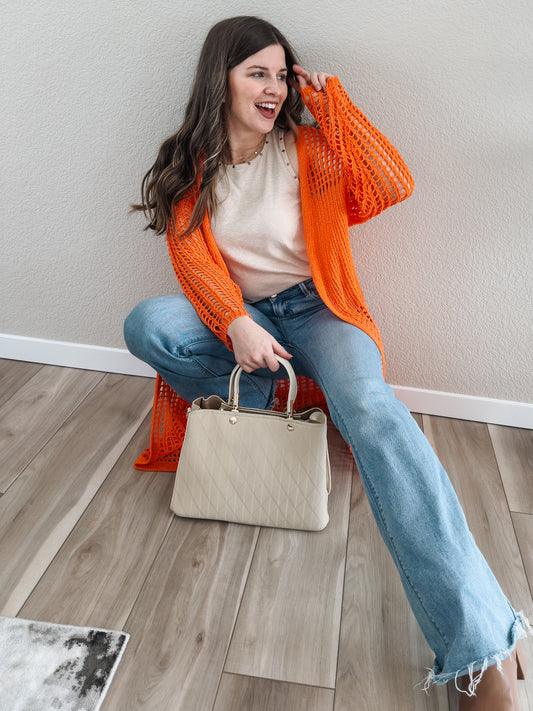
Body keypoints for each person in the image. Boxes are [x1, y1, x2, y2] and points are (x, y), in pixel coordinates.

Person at [124, 16, 529, 709]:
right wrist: (236, 321)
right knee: (149, 323)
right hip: (245, 320)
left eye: (282, 74)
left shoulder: (308, 148)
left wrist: (332, 102)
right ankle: (278, 408)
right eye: (257, 72)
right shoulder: (192, 166)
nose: (274, 87)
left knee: (373, 412)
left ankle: (483, 648)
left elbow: (390, 184)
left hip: (321, 310)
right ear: (217, 81)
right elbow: (191, 261)